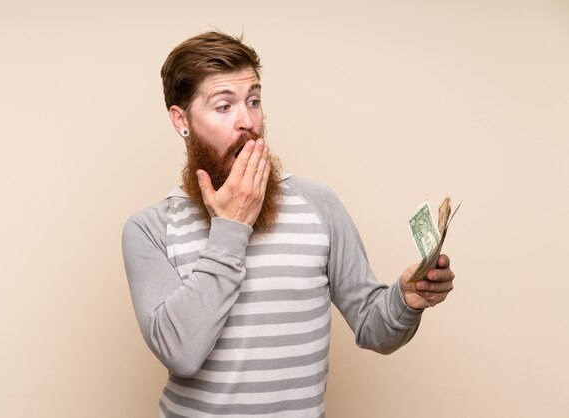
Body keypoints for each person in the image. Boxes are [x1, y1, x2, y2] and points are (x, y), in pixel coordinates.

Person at [122, 31, 455, 417]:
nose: (247, 121)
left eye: (254, 101)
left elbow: (374, 328)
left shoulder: (317, 205)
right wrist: (231, 227)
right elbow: (181, 353)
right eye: (223, 107)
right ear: (181, 120)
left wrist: (405, 301)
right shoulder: (148, 229)